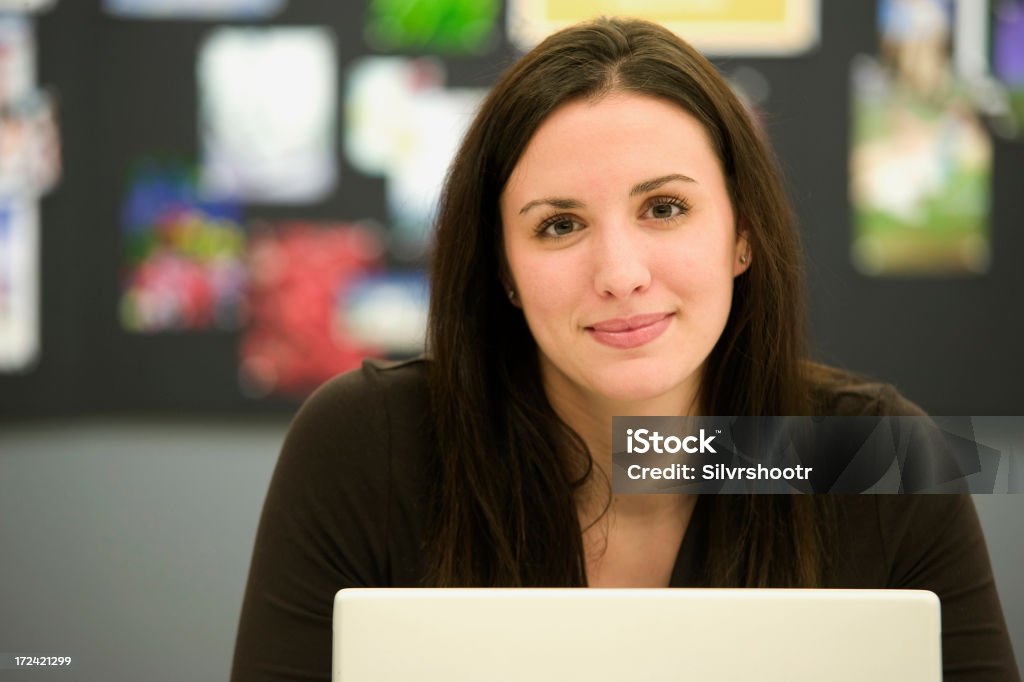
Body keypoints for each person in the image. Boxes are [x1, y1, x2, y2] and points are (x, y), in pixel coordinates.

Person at [230, 17, 1019, 682]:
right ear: (501, 267)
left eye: (666, 208)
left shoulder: (877, 456)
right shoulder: (369, 445)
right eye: (558, 225)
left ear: (742, 233)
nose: (620, 274)